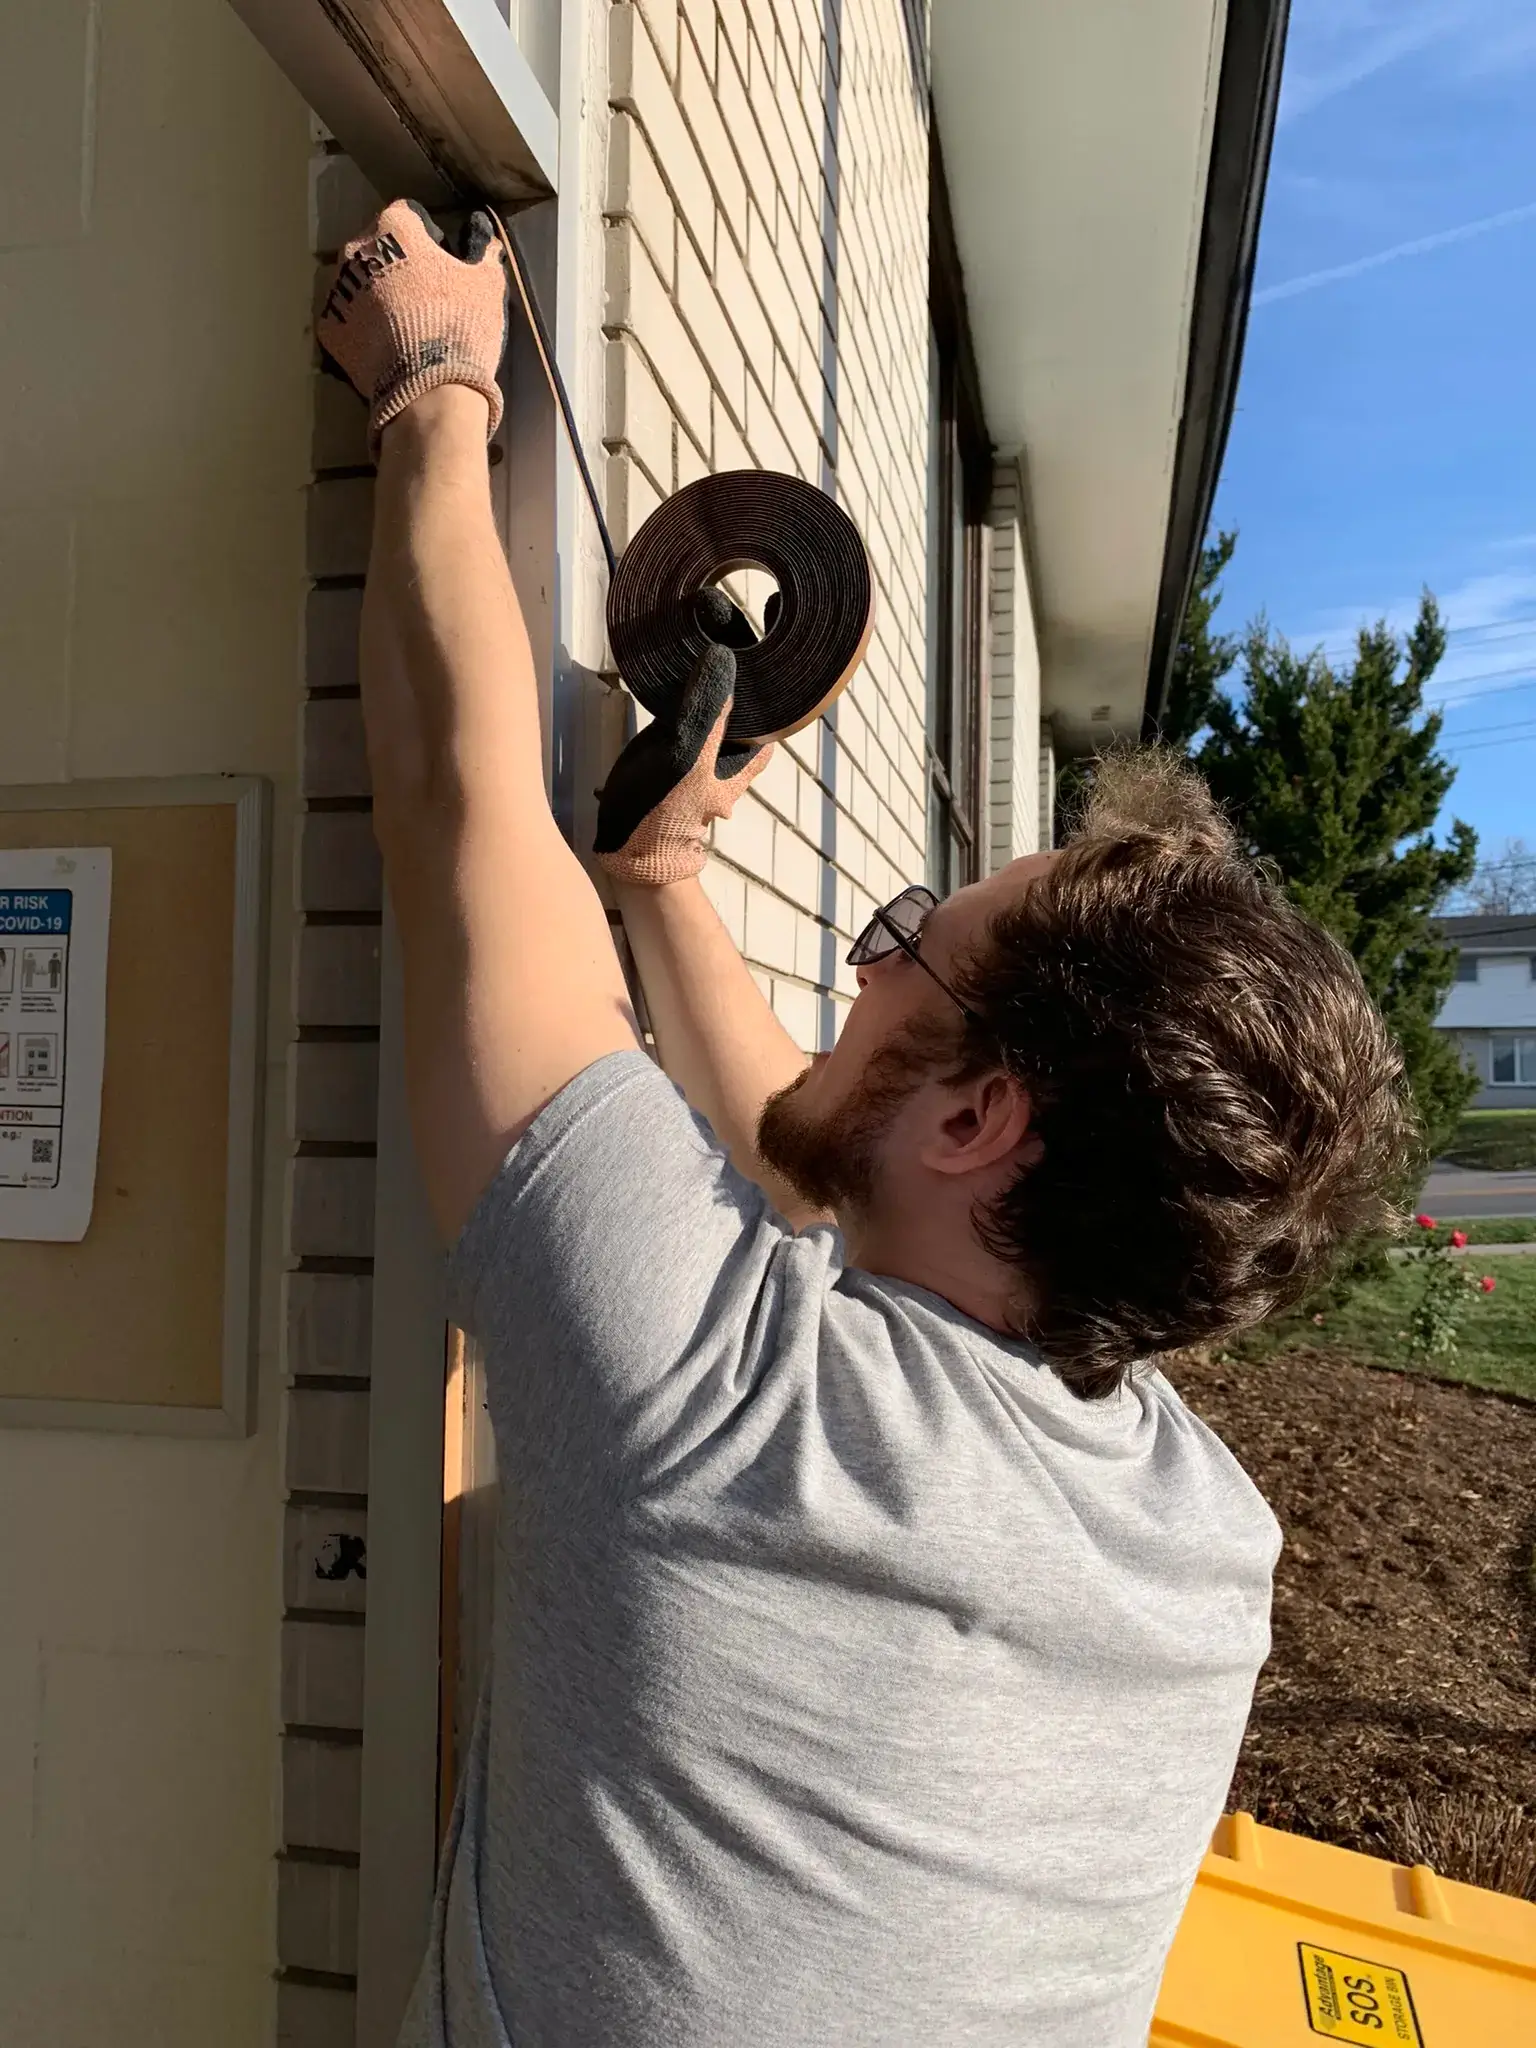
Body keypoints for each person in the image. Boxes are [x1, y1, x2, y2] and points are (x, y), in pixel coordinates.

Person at [319, 203, 1415, 2048]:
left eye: (908, 949)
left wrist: (434, 385)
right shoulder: (1202, 1546)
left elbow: (450, 810)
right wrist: (659, 885)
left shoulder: (714, 1397)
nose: (862, 952)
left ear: (985, 1118)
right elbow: (824, 1187)